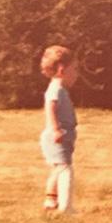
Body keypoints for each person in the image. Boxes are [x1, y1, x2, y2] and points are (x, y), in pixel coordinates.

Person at [40, 45, 79, 214]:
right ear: (62, 69)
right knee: (65, 170)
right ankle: (66, 207)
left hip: (62, 136)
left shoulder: (59, 88)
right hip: (58, 136)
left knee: (58, 168)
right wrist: (56, 129)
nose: (77, 73)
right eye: (75, 69)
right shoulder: (56, 89)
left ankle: (50, 200)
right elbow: (51, 107)